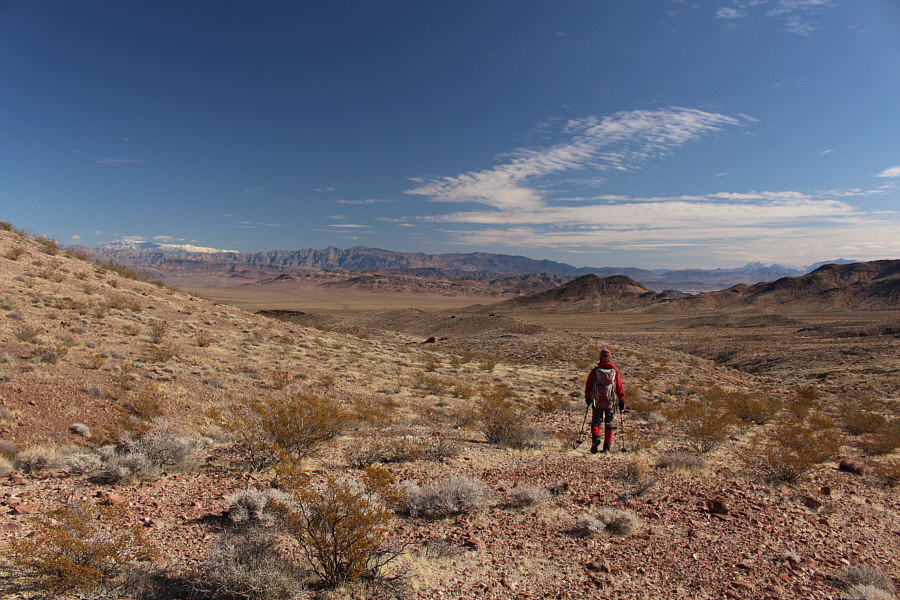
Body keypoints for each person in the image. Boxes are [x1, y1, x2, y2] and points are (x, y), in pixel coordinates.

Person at [584, 348, 625, 453]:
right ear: (609, 358)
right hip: (610, 402)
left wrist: (588, 397)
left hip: (597, 401)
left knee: (596, 422)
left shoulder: (595, 371)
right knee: (609, 423)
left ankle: (596, 438)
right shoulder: (614, 371)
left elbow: (588, 385)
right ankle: (607, 446)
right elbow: (619, 387)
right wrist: (621, 400)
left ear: (600, 357)